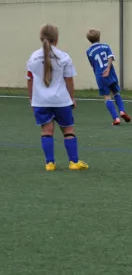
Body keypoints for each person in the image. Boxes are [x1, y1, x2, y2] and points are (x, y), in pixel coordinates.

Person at [27, 24, 88, 171]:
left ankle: (50, 163)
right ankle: (73, 162)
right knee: (68, 131)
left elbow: (29, 79)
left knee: (47, 131)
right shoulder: (64, 57)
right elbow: (69, 80)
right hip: (61, 100)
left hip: (40, 101)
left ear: (41, 38)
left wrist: (31, 98)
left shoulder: (33, 57)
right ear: (57, 39)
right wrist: (72, 98)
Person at [86, 29, 131, 125]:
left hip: (100, 75)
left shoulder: (89, 51)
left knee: (107, 96)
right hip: (110, 73)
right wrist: (108, 68)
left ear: (89, 40)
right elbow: (110, 57)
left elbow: (93, 64)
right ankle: (122, 111)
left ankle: (116, 118)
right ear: (99, 37)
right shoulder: (106, 46)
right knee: (116, 92)